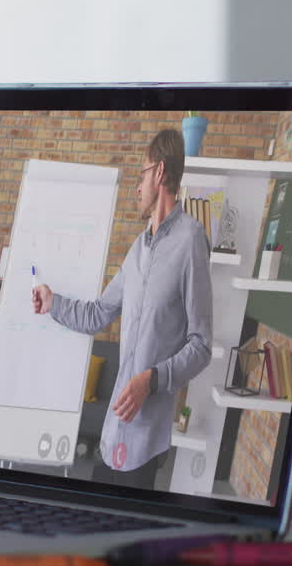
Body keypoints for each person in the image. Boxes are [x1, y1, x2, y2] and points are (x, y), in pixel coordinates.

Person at [31, 129, 212, 489]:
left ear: (160, 173)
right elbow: (99, 312)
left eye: (141, 174)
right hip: (113, 430)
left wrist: (152, 379)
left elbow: (201, 344)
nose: (136, 186)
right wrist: (54, 303)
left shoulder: (192, 241)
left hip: (145, 438)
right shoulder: (138, 250)